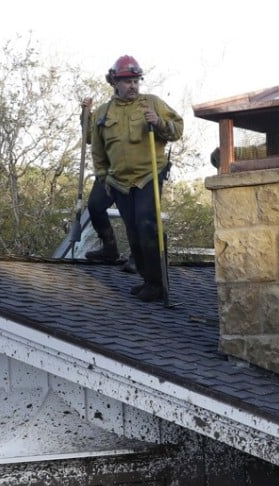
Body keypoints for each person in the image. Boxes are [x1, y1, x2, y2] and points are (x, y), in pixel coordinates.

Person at [88, 55, 184, 302]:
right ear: (115, 83)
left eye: (135, 80)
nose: (133, 85)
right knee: (132, 230)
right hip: (119, 181)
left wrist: (159, 122)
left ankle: (158, 284)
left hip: (148, 174)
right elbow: (97, 151)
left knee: (146, 225)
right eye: (127, 81)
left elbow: (178, 129)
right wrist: (102, 177)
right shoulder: (102, 113)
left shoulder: (151, 103)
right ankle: (147, 280)